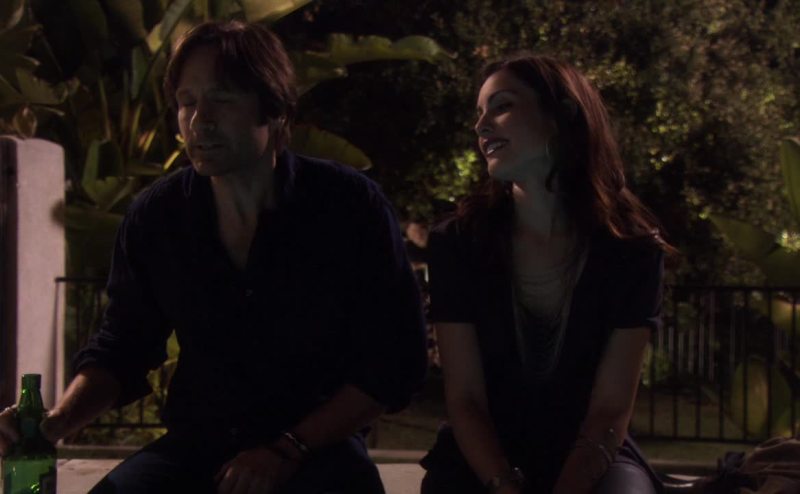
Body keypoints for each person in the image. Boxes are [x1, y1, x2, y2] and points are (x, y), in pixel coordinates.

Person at [0, 20, 427, 494]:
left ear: (275, 109)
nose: (199, 120)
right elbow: (124, 345)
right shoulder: (158, 216)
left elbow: (395, 361)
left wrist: (287, 449)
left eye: (222, 99)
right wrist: (57, 421)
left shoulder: (347, 206)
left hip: (317, 445)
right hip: (198, 445)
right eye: (187, 102)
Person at [419, 53, 672, 494]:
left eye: (501, 106)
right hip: (483, 453)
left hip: (591, 451)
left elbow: (610, 410)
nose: (481, 126)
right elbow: (465, 399)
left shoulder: (631, 251)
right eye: (478, 113)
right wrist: (504, 484)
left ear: (562, 114)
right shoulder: (458, 244)